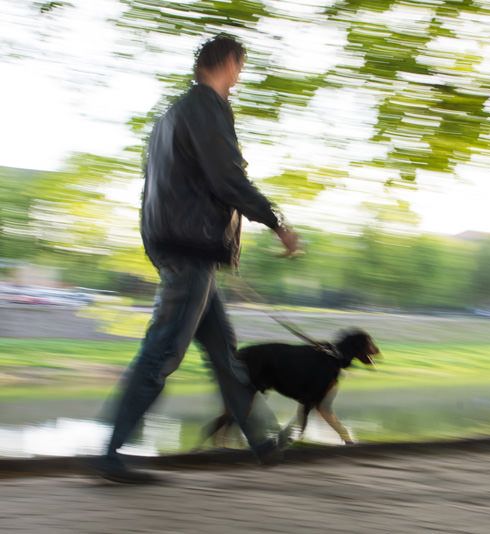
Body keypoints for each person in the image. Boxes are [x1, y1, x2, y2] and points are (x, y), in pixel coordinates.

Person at [95, 34, 300, 483]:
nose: (239, 79)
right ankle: (108, 451)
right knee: (163, 350)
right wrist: (275, 221)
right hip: (190, 249)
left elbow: (159, 186)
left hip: (180, 245)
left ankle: (263, 441)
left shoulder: (170, 116)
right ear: (228, 62)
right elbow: (227, 177)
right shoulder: (206, 109)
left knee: (225, 355)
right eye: (240, 69)